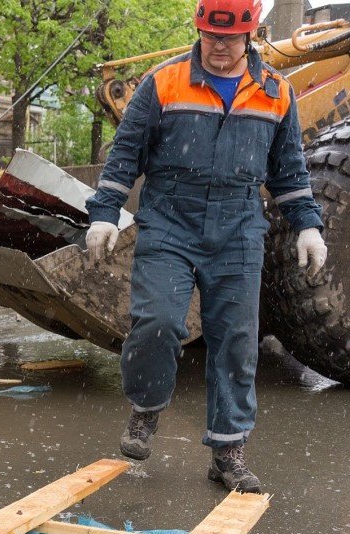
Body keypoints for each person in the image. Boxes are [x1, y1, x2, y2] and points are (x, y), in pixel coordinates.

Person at [84, 0, 328, 493]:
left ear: (250, 36)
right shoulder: (163, 82)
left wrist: (307, 224)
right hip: (171, 219)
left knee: (237, 341)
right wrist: (105, 214)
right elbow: (126, 152)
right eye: (212, 38)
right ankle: (146, 408)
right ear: (199, 30)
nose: (219, 48)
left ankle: (228, 450)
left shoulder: (276, 92)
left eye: (231, 39)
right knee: (158, 321)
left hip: (239, 225)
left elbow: (289, 169)